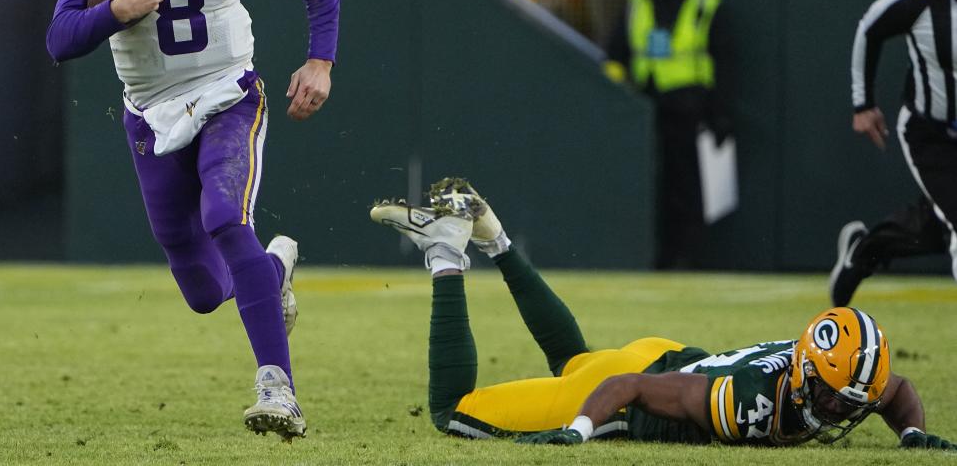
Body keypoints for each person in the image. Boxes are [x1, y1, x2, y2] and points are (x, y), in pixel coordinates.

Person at [47, 0, 341, 441]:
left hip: (225, 92)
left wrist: (319, 60)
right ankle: (273, 272)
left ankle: (277, 385)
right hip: (149, 113)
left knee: (223, 216)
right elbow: (61, 38)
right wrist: (115, 11)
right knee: (205, 288)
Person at [369, 177, 956, 450]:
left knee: (572, 360)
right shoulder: (747, 403)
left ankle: (492, 234)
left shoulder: (839, 370)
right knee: (452, 412)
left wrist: (911, 432)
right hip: (639, 389)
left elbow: (893, 387)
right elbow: (629, 388)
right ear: (807, 373)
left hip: (663, 354)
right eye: (834, 398)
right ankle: (447, 251)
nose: (839, 409)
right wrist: (579, 430)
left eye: (847, 400)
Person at [829, 0, 957, 307]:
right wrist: (863, 103)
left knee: (936, 227)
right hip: (931, 133)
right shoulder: (923, 1)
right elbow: (870, 27)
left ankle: (864, 251)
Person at [604, 0, 732, 269]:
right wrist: (622, 91)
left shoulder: (705, 2)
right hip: (646, 109)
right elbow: (615, 52)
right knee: (653, 188)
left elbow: (723, 60)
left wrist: (718, 111)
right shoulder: (637, 0)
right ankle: (657, 256)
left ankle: (689, 256)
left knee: (690, 187)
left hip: (691, 109)